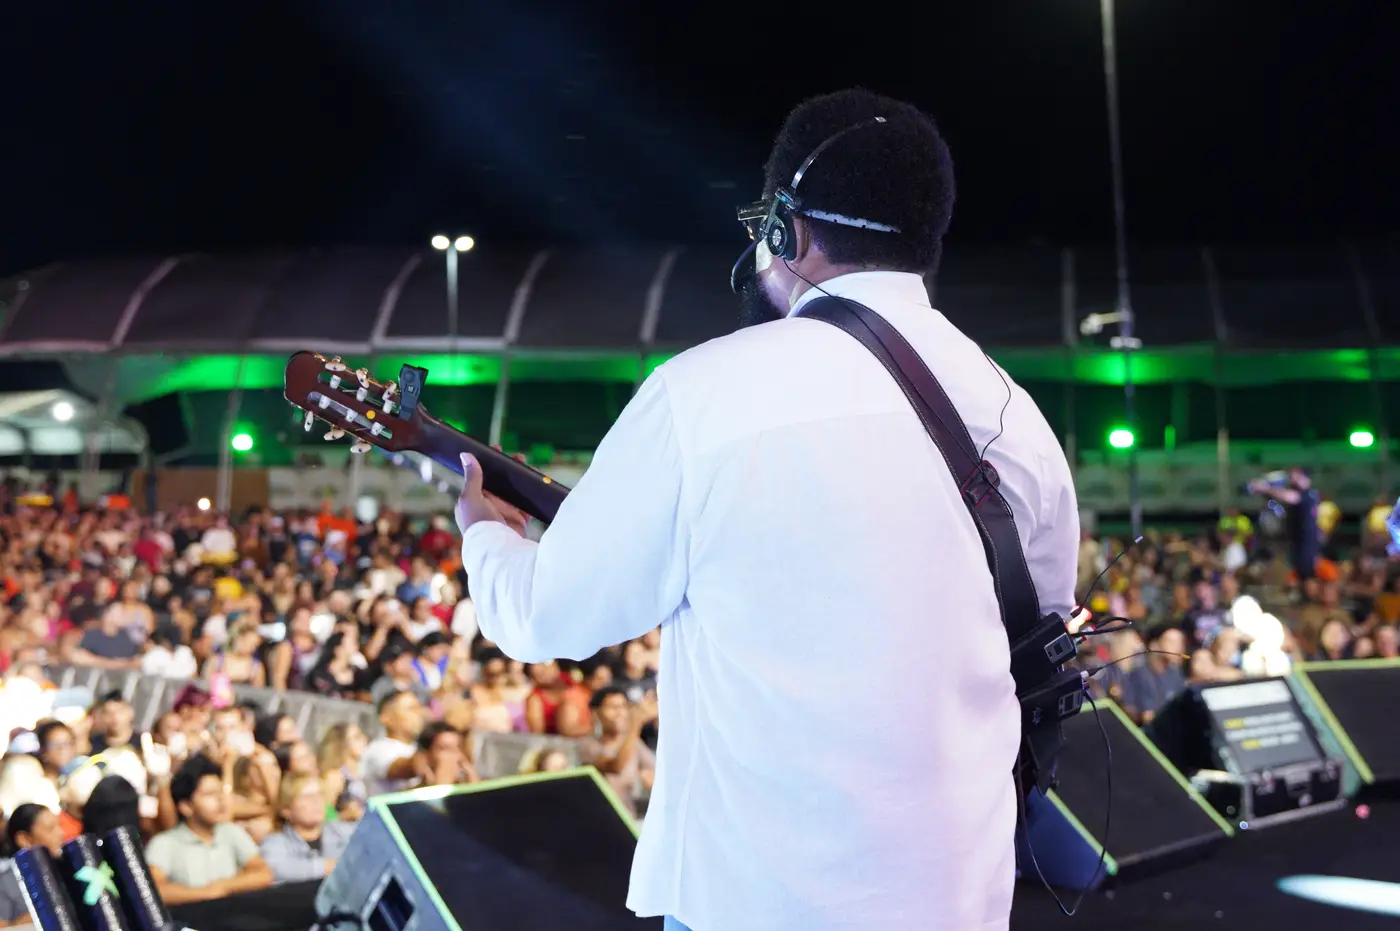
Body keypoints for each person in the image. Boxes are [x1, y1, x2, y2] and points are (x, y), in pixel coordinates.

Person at [455, 88, 1078, 931]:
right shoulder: (1017, 416)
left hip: (753, 904)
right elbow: (1042, 635)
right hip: (957, 903)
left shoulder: (702, 393)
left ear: (787, 230)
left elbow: (544, 614)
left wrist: (485, 535)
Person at [146, 756, 273, 904]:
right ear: (186, 807)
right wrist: (205, 894)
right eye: (209, 794)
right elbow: (153, 891)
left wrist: (223, 887)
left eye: (220, 792)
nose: (221, 800)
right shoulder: (165, 843)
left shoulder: (230, 832)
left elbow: (264, 874)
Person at [1249, 467, 1320, 580]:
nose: (1292, 479)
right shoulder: (1298, 493)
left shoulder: (1309, 494)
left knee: (1307, 577)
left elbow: (1290, 497)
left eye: (1296, 476)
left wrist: (1264, 488)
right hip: (1295, 544)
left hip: (1306, 546)